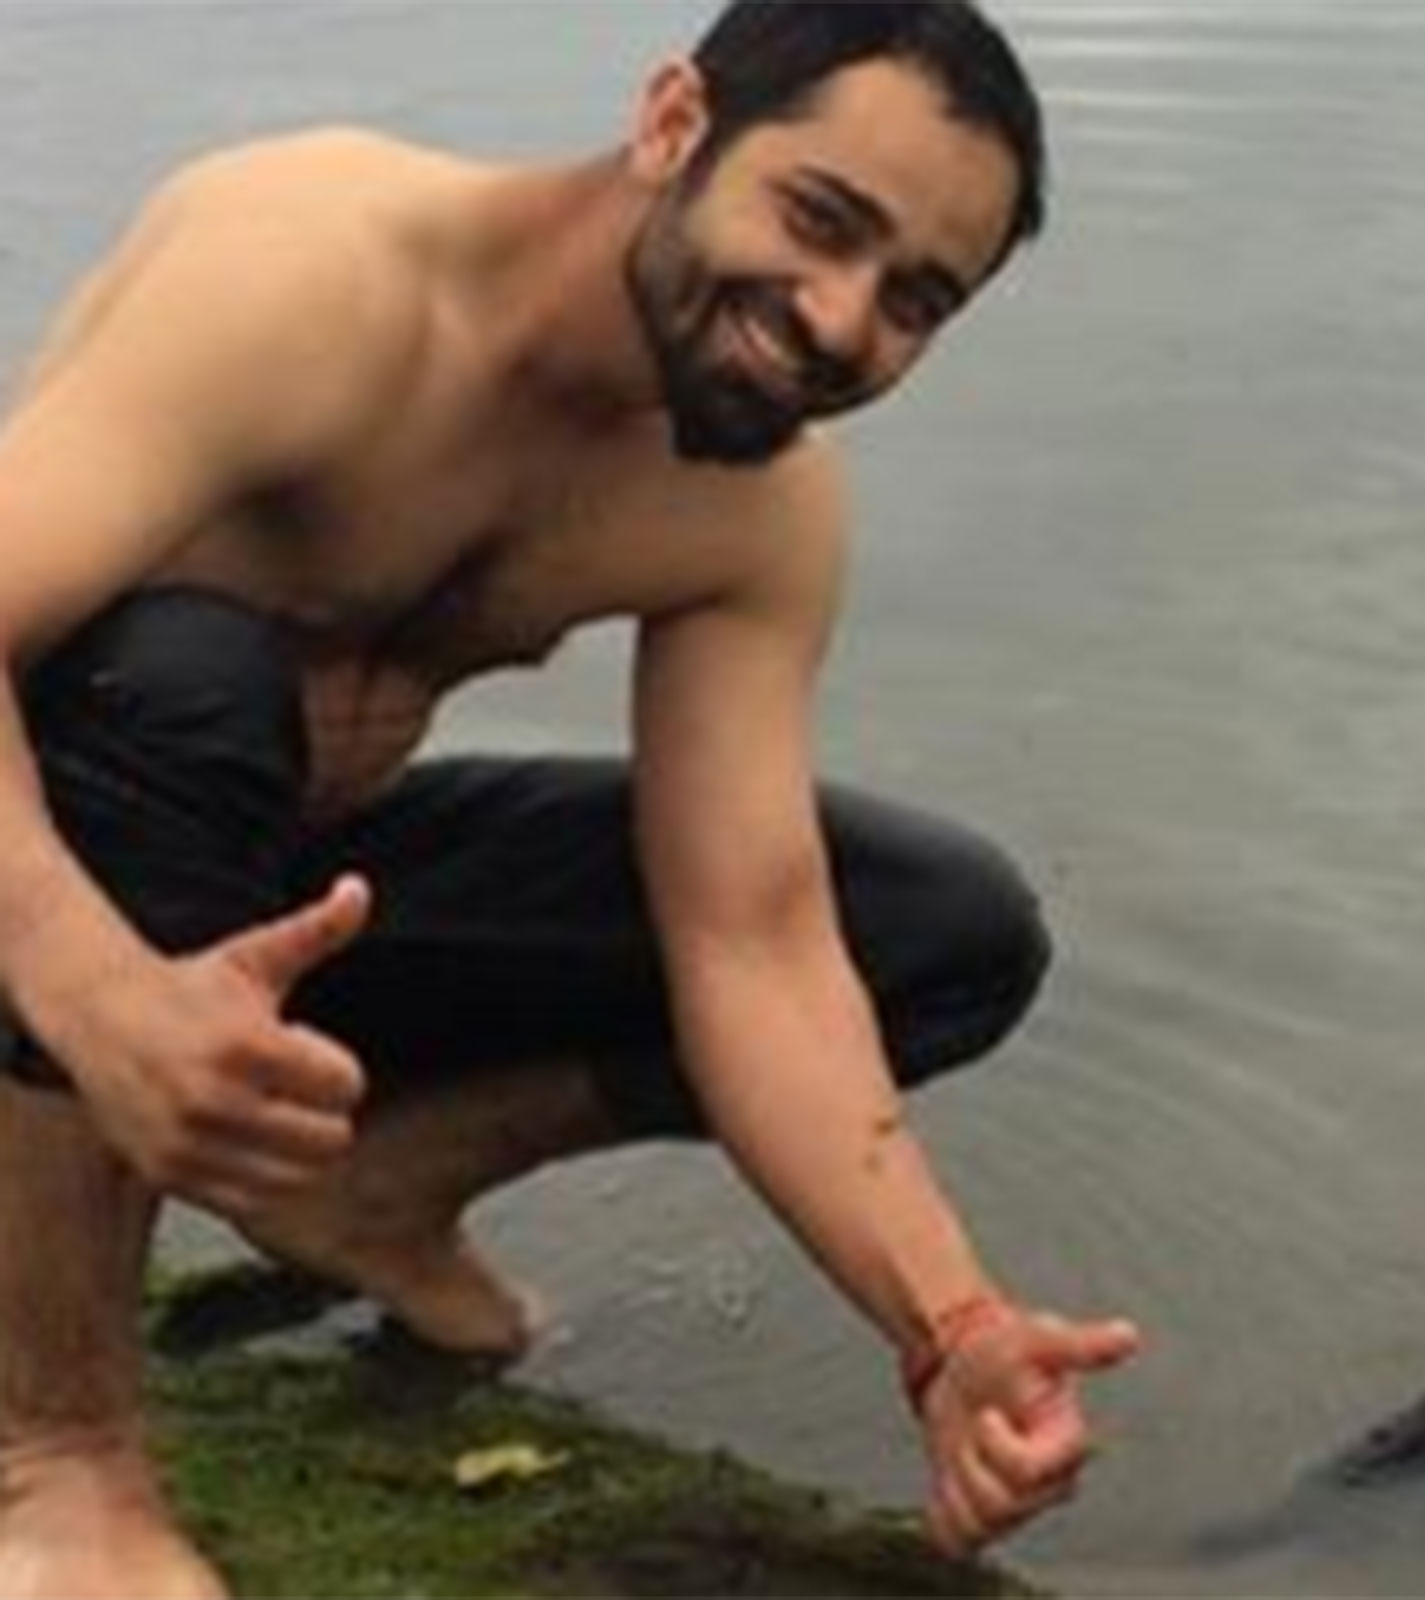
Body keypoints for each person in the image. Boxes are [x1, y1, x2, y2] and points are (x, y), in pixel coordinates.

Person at [0, 3, 1142, 1594]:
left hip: (256, 901)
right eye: (821, 221)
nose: (836, 321)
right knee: (182, 682)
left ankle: (371, 1187)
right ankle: (56, 1460)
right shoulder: (310, 269)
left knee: (935, 930)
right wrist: (91, 987)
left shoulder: (754, 510)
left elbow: (753, 946)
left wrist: (947, 1325)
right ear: (676, 120)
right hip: (45, 875)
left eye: (914, 300)